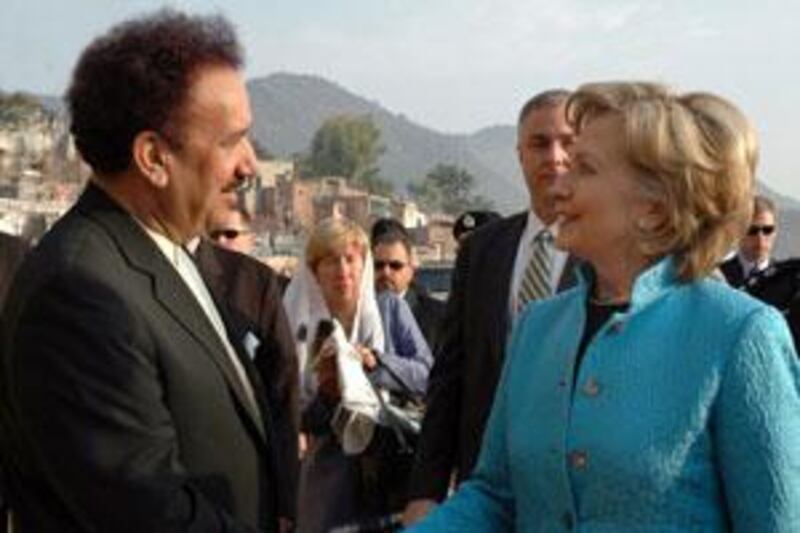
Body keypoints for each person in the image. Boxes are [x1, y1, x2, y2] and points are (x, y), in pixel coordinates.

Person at [409, 82, 800, 531]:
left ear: (652, 208)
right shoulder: (538, 327)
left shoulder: (741, 335)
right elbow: (496, 495)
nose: (560, 184)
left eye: (585, 169)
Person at [0, 10, 282, 531]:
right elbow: (149, 511)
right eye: (229, 142)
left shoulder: (168, 250)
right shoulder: (79, 293)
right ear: (153, 157)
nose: (249, 166)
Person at [403, 89, 579, 524]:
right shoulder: (483, 250)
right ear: (520, 155)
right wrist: (425, 491)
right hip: (484, 491)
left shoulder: (610, 255)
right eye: (539, 144)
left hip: (570, 494)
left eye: (568, 142)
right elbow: (450, 376)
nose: (554, 157)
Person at [282, 217, 432, 532]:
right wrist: (329, 391)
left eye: (350, 259)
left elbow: (427, 374)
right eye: (330, 261)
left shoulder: (389, 311)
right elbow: (293, 416)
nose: (342, 270)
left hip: (390, 471)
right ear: (313, 271)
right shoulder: (299, 330)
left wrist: (376, 364)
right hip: (329, 483)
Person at [194, 200, 300, 532]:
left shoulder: (258, 285)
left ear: (250, 238)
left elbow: (282, 386)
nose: (223, 243)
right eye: (215, 234)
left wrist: (286, 498)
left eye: (231, 233)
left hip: (247, 477)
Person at [371, 218, 445, 350]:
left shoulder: (438, 317)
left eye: (395, 266)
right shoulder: (359, 311)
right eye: (379, 265)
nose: (386, 272)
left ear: (411, 269)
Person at [720, 194, 778, 287]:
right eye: (752, 230)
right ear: (738, 233)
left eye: (767, 230)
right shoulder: (718, 277)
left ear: (775, 233)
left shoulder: (784, 280)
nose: (760, 237)